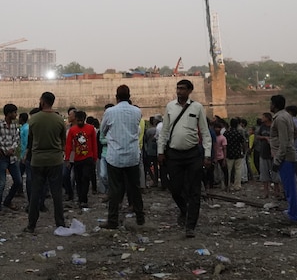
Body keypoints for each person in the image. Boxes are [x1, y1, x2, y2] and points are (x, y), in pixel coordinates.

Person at [157, 79, 212, 238]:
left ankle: (190, 226)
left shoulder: (197, 107)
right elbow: (164, 131)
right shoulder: (170, 107)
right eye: (178, 88)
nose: (179, 91)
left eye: (182, 89)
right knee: (175, 188)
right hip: (174, 155)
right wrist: (160, 151)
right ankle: (184, 210)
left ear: (189, 91)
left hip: (193, 154)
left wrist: (207, 155)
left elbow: (205, 132)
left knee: (195, 191)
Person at [99, 85, 145, 229]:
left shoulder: (110, 112)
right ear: (129, 96)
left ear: (116, 97)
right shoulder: (137, 111)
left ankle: (112, 220)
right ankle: (140, 217)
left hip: (115, 157)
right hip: (132, 155)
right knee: (135, 188)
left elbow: (103, 130)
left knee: (114, 190)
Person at [24, 92, 67, 233]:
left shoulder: (33, 119)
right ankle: (60, 224)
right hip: (55, 160)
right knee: (57, 194)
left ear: (42, 101)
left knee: (35, 193)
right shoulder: (59, 120)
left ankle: (31, 225)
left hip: (37, 160)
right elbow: (63, 142)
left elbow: (31, 140)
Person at [269, 95, 297, 224]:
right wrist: (291, 144)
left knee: (289, 187)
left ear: (275, 105)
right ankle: (292, 211)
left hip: (285, 157)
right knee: (289, 186)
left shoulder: (280, 118)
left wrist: (277, 160)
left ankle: (294, 215)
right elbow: (296, 132)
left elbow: (283, 142)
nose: (269, 105)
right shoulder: (286, 115)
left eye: (271, 103)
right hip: (288, 154)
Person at [0, 103, 23, 213]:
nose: (16, 115)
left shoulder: (14, 126)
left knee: (18, 181)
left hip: (12, 158)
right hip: (2, 158)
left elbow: (16, 139)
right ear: (9, 114)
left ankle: (7, 200)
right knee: (1, 183)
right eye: (14, 112)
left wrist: (13, 148)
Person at [64, 110, 97, 208]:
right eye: (78, 121)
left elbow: (94, 144)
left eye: (81, 121)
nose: (79, 123)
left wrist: (94, 157)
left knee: (86, 178)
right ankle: (80, 198)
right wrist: (67, 158)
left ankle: (84, 199)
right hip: (77, 159)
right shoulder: (72, 130)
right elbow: (69, 145)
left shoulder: (91, 129)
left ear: (84, 119)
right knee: (78, 179)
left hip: (88, 158)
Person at [225, 117, 246, 192]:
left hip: (229, 153)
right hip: (237, 153)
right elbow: (243, 143)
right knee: (238, 170)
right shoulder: (238, 133)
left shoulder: (226, 133)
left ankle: (228, 185)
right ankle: (237, 186)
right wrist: (243, 151)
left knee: (228, 171)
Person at [254, 113, 272, 198]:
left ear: (268, 118)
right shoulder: (262, 127)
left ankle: (277, 191)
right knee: (264, 174)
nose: (262, 118)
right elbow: (257, 136)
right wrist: (264, 138)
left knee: (275, 174)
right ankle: (266, 192)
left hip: (272, 153)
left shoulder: (273, 126)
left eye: (263, 117)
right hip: (263, 152)